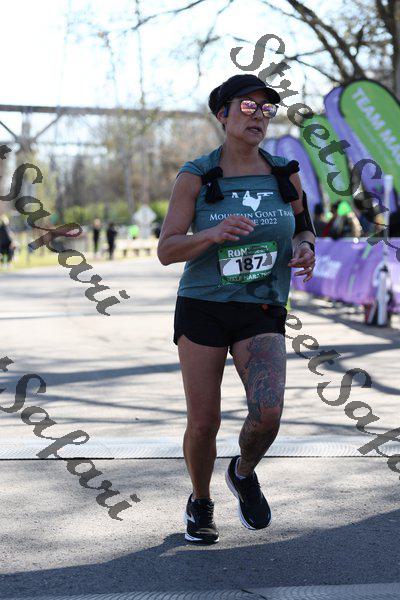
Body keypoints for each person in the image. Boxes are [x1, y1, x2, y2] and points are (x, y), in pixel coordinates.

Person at [157, 74, 316, 544]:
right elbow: (167, 249)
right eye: (248, 106)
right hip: (203, 306)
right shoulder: (197, 175)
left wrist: (306, 247)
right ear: (222, 114)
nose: (259, 116)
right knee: (204, 422)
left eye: (267, 109)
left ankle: (242, 472)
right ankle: (201, 501)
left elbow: (304, 227)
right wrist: (212, 234)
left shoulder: (285, 173)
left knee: (268, 413)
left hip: (260, 306)